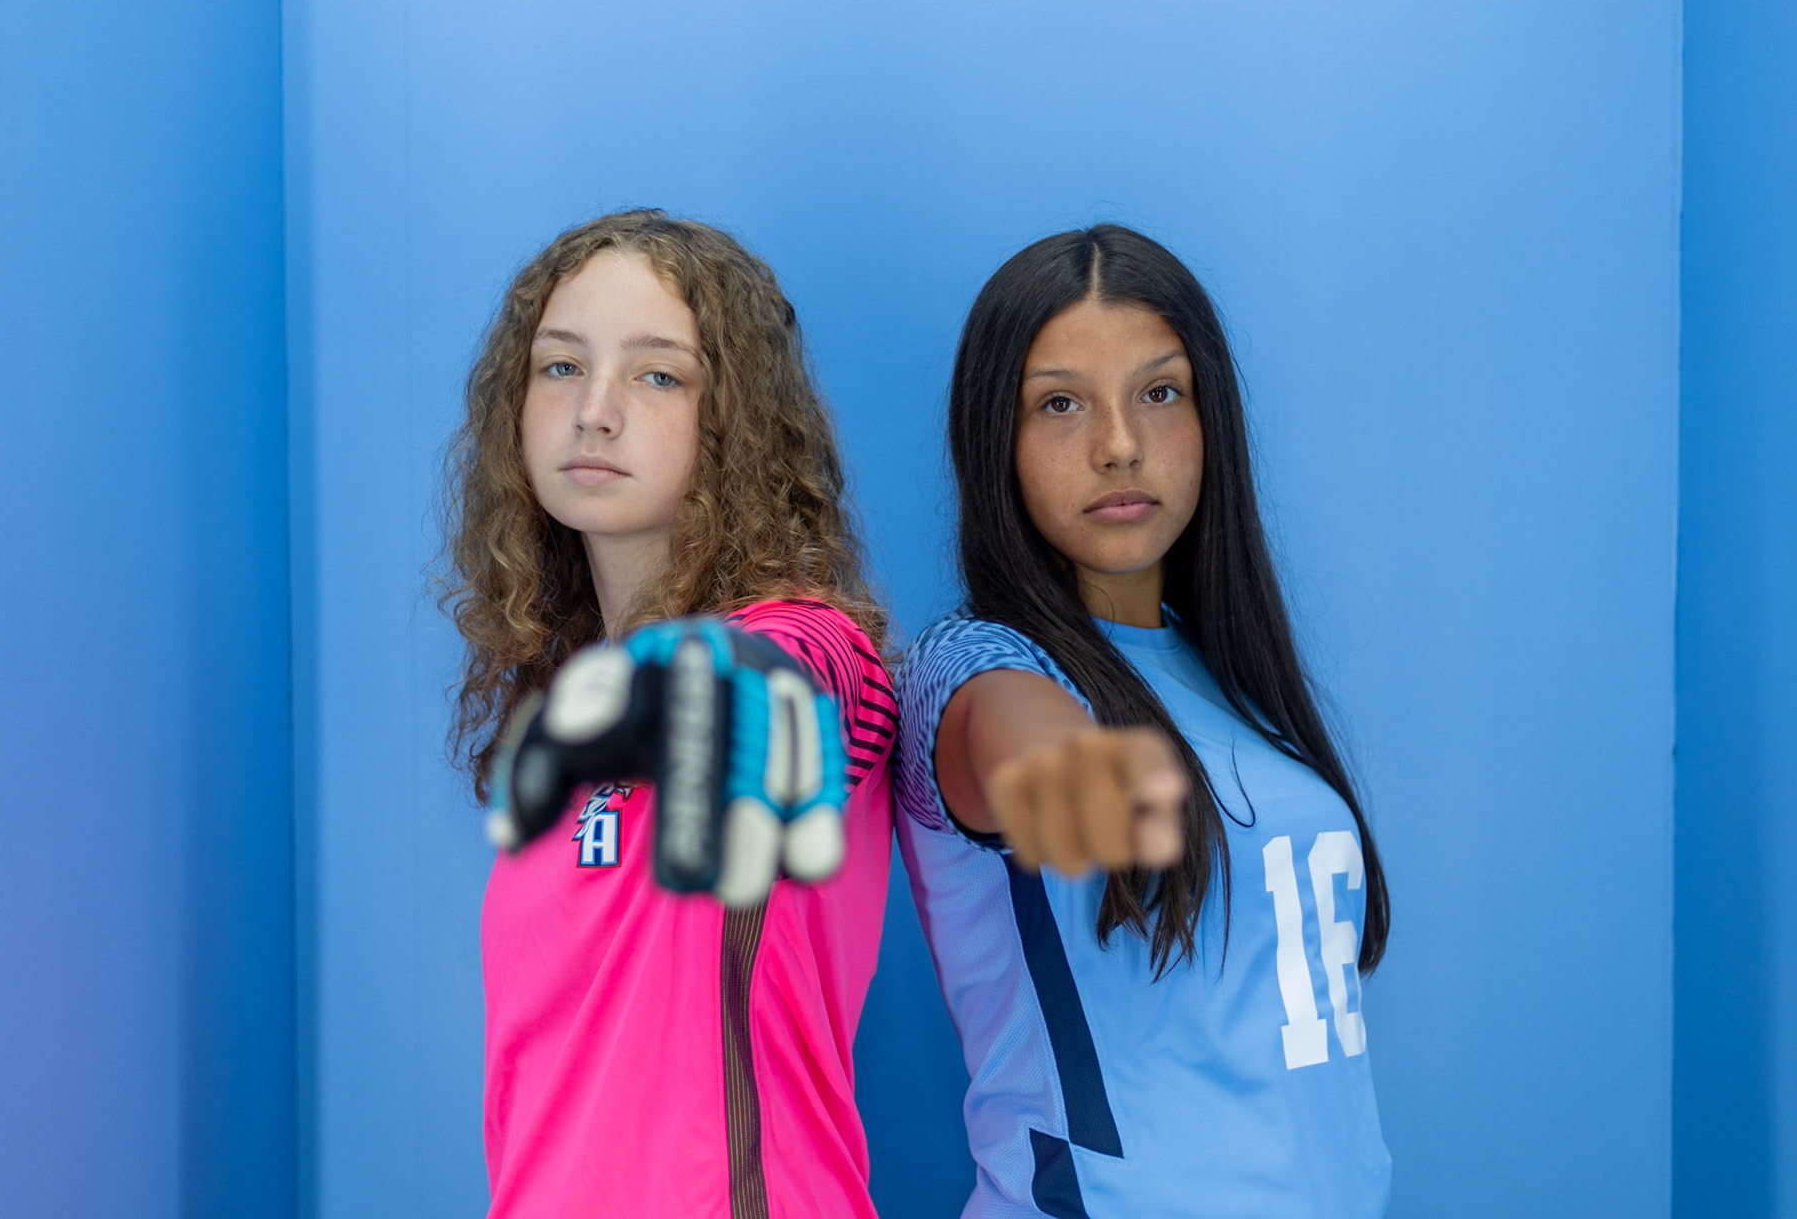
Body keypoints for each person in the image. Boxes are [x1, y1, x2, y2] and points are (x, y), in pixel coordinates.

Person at [894, 225, 1392, 1217]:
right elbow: (1001, 720)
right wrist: (1058, 758)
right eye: (1060, 402)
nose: (1118, 443)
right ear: (995, 439)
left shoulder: (1234, 678)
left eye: (1159, 393)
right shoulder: (974, 662)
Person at [441, 209, 896, 1218]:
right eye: (561, 367)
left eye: (657, 375)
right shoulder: (565, 702)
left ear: (733, 418)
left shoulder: (816, 651)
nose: (593, 410)